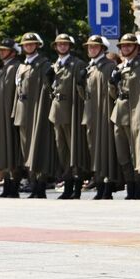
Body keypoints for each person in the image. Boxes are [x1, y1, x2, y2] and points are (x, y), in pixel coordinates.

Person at [13, 32, 55, 198]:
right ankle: (32, 181)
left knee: (39, 148)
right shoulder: (22, 66)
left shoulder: (43, 65)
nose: (29, 47)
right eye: (26, 45)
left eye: (32, 44)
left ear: (37, 46)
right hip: (23, 112)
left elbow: (46, 89)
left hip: (37, 111)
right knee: (26, 150)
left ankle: (40, 184)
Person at [109, 33, 140, 199]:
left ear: (137, 48)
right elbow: (113, 93)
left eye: (128, 45)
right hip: (119, 113)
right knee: (123, 154)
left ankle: (138, 187)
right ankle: (130, 185)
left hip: (135, 112)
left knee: (136, 152)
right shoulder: (119, 68)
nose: (125, 48)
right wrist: (112, 82)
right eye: (123, 46)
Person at [49, 34, 89, 199]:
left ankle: (76, 187)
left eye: (65, 44)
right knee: (62, 151)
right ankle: (67, 186)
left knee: (74, 151)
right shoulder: (54, 65)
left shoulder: (76, 64)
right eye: (60, 44)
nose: (63, 47)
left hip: (71, 111)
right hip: (57, 112)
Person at [81, 35, 118, 199]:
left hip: (104, 113)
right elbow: (85, 95)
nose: (92, 49)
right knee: (94, 150)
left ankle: (107, 185)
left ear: (103, 49)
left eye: (95, 47)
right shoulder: (91, 67)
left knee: (105, 150)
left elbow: (112, 92)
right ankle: (99, 183)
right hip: (91, 114)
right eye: (90, 47)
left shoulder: (108, 66)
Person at [0, 38, 22, 197]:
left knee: (10, 150)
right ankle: (7, 184)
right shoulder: (5, 68)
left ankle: (12, 185)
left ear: (13, 52)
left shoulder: (15, 68)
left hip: (8, 115)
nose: (1, 52)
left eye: (4, 50)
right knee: (2, 151)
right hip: (0, 115)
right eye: (0, 49)